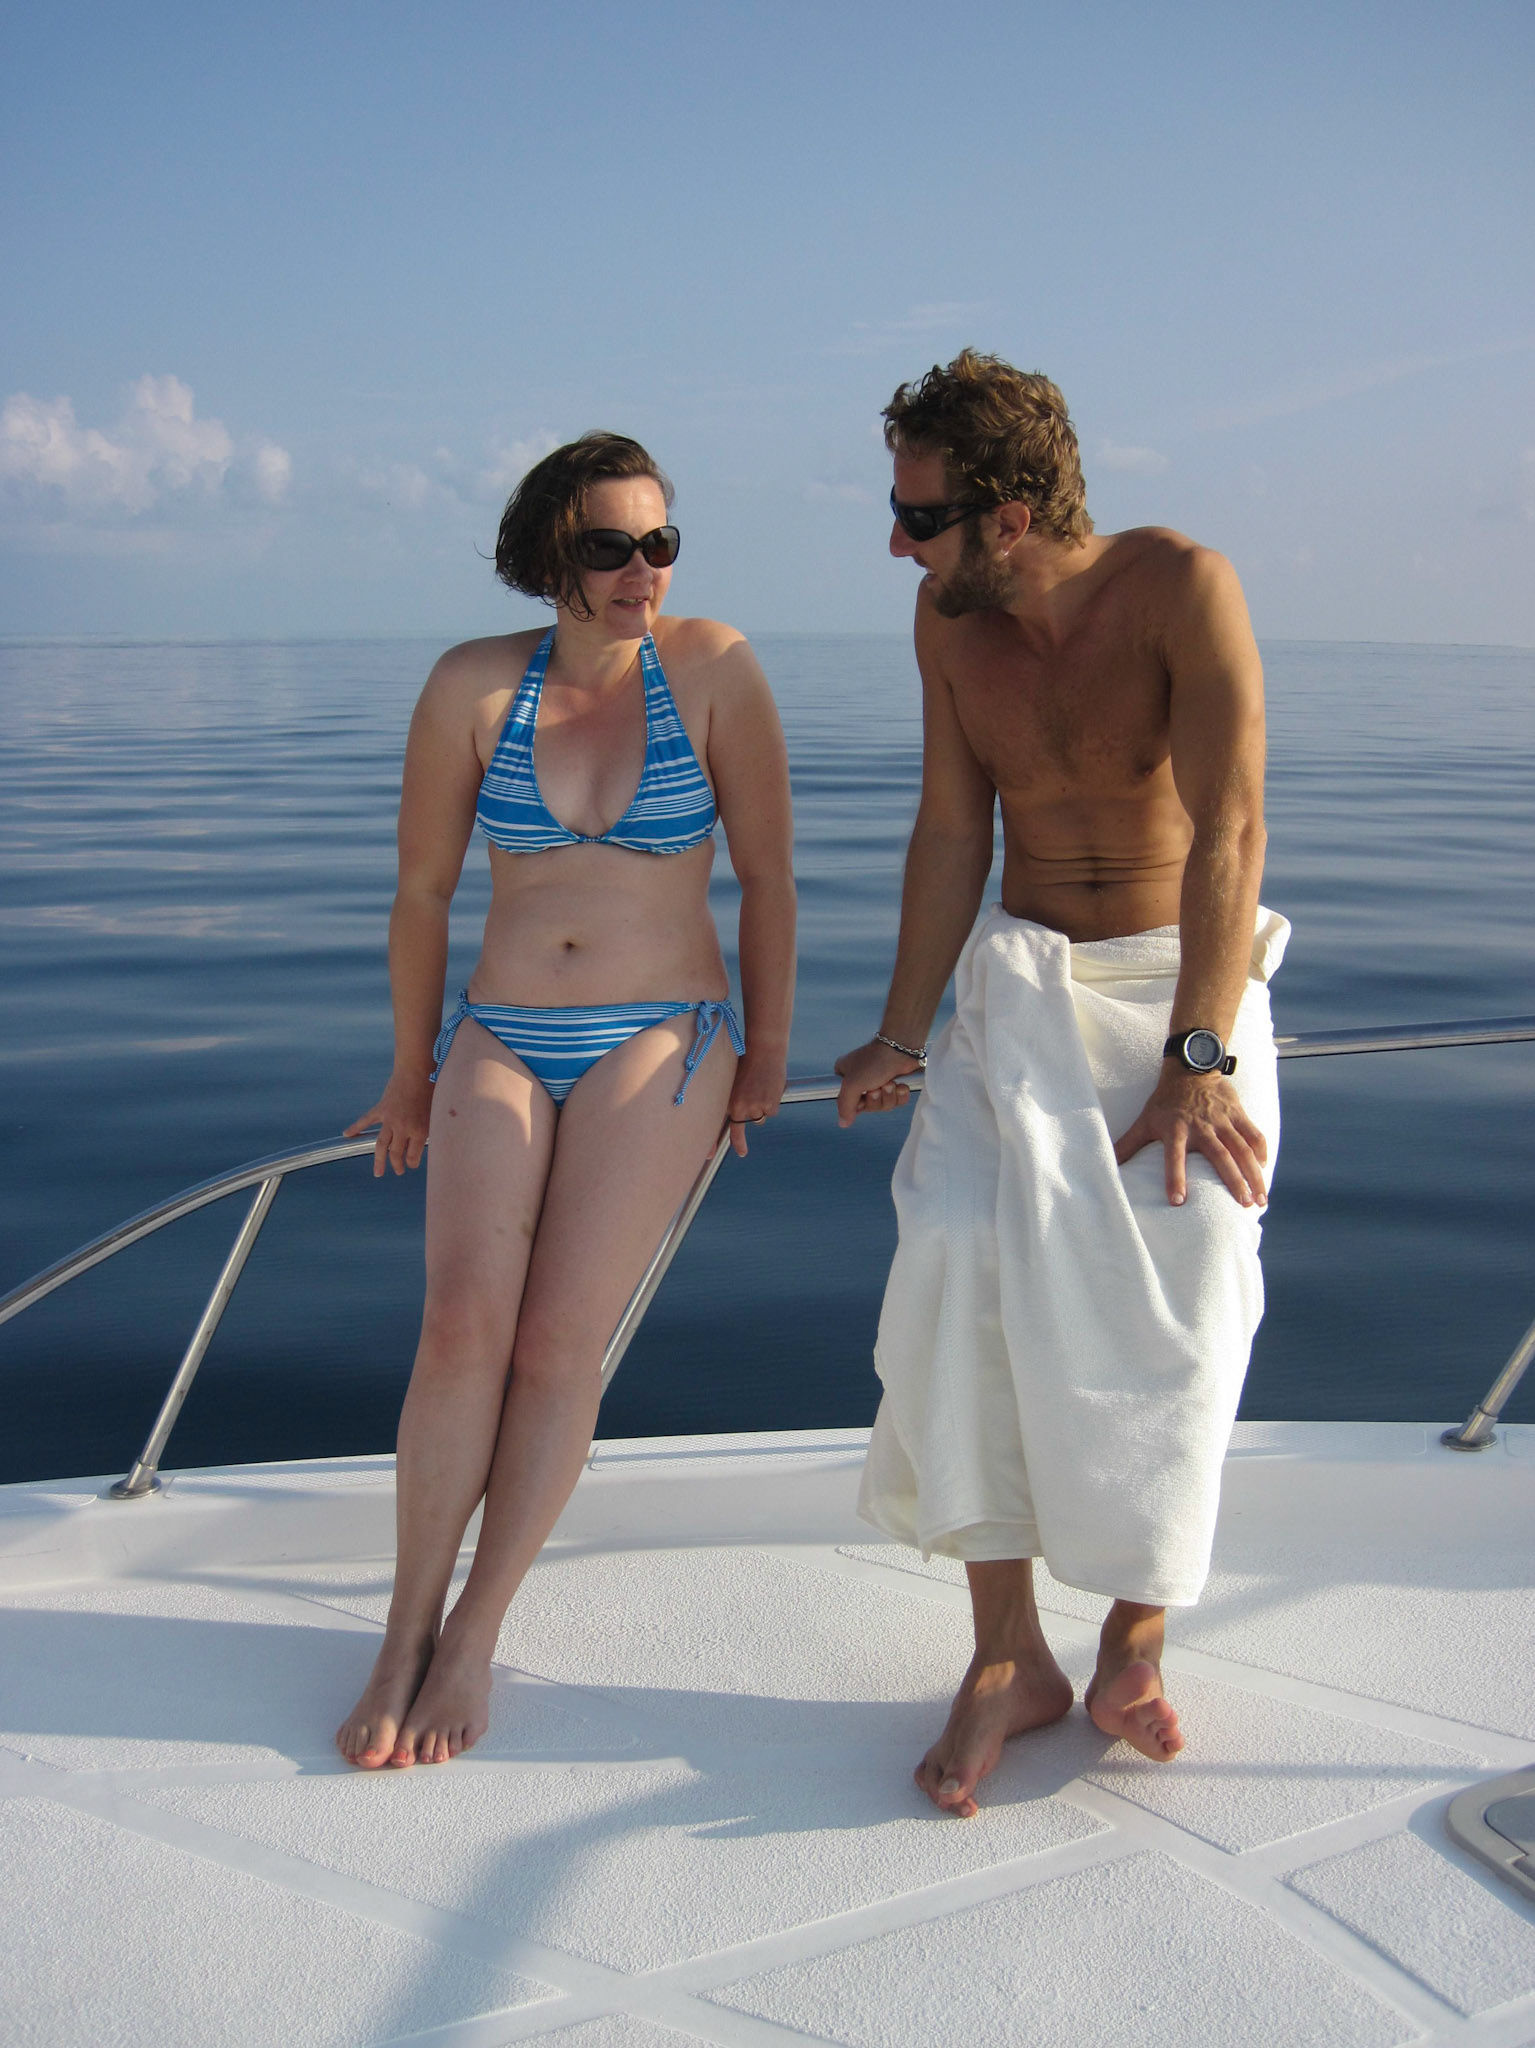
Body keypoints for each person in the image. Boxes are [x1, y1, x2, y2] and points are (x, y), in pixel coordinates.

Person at [835, 352, 1287, 1817]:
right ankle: (1006, 1656)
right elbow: (951, 836)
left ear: (1011, 513)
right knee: (957, 1253)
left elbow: (1230, 830)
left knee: (1200, 1260)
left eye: (922, 514)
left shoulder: (1180, 590)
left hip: (1182, 985)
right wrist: (904, 1036)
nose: (898, 542)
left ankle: (1136, 1640)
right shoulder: (946, 625)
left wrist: (1202, 1055)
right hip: (1024, 985)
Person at [337, 431, 795, 1769]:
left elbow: (767, 879)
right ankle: (401, 1630)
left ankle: (475, 1634)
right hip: (500, 1026)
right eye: (609, 547)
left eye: (659, 543)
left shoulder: (712, 668)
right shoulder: (474, 687)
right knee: (461, 1326)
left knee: (554, 1344)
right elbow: (421, 893)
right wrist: (410, 1069)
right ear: (551, 553)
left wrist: (767, 1056)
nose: (640, 572)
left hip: (664, 1032)